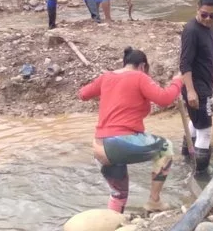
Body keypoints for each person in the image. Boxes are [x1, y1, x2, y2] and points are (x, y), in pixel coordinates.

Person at [78, 47, 183, 214]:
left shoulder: (107, 77)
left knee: (119, 194)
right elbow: (165, 99)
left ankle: (114, 222)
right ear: (142, 66)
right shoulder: (139, 77)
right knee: (166, 147)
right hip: (119, 143)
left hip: (99, 146)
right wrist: (177, 82)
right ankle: (154, 201)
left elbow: (82, 94)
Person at [179, 0, 213, 174]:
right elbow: (184, 63)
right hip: (197, 89)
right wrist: (190, 91)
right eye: (204, 14)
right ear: (197, 8)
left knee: (196, 123)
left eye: (212, 16)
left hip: (203, 85)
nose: (207, 19)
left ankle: (186, 160)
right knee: (205, 130)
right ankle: (201, 175)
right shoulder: (191, 30)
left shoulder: (208, 28)